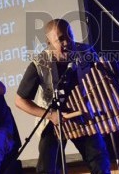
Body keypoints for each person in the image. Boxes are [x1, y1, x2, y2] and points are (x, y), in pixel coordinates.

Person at [15, 18, 111, 173]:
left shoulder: (86, 52)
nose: (67, 42)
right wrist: (51, 115)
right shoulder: (39, 64)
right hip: (54, 119)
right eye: (60, 39)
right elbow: (20, 101)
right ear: (49, 43)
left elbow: (104, 81)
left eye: (69, 36)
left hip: (83, 114)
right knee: (47, 167)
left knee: (100, 161)